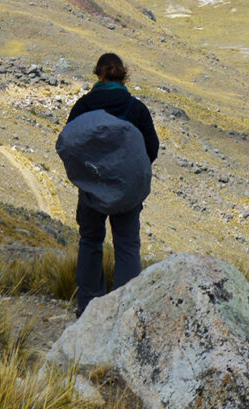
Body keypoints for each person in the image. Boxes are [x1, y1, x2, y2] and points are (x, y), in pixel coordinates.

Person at [62, 53, 158, 316]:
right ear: (122, 74)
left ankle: (89, 309)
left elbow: (69, 142)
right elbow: (152, 149)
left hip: (92, 188)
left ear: (98, 74)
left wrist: (88, 174)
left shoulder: (84, 106)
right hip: (127, 192)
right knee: (127, 245)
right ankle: (125, 310)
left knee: (90, 241)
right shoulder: (136, 108)